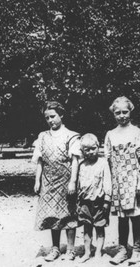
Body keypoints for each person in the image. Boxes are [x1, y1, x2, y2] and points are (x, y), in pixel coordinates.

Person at [32, 101, 81, 262]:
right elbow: (40, 161)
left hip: (66, 181)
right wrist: (37, 180)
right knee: (52, 215)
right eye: (47, 118)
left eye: (53, 116)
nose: (50, 120)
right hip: (48, 181)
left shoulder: (71, 136)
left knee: (68, 215)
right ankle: (55, 248)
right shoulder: (42, 136)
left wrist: (73, 181)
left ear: (61, 115)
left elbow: (75, 160)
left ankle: (71, 249)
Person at [104, 96, 140, 265]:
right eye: (118, 113)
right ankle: (123, 249)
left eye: (125, 112)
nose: (122, 116)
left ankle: (137, 250)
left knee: (135, 215)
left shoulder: (137, 132)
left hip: (133, 180)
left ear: (131, 111)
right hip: (118, 182)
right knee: (122, 217)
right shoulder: (110, 134)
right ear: (113, 114)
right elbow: (108, 162)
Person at [74, 133, 111, 263]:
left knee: (99, 227)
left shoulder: (103, 163)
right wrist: (78, 201)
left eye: (93, 148)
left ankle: (99, 252)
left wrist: (107, 200)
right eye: (86, 150)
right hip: (85, 202)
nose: (90, 152)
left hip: (99, 202)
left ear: (98, 147)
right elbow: (78, 184)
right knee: (87, 228)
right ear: (82, 151)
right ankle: (87, 252)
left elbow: (107, 182)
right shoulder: (81, 165)